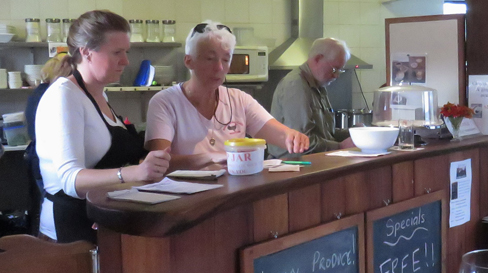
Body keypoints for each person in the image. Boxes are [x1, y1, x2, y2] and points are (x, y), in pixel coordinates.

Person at [36, 10, 170, 243]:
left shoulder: (99, 96)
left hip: (100, 220)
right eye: (117, 52)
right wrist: (134, 173)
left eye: (126, 52)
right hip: (70, 232)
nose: (126, 61)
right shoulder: (64, 96)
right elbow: (71, 180)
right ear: (87, 52)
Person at [145, 22, 308, 168]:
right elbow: (159, 161)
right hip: (183, 194)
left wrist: (292, 137)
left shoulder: (239, 99)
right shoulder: (164, 102)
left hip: (231, 190)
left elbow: (278, 133)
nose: (219, 68)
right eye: (210, 59)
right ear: (189, 61)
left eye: (225, 60)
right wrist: (211, 158)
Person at [268, 38, 355, 159]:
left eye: (340, 70)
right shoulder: (296, 86)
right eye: (334, 69)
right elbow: (301, 143)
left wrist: (355, 133)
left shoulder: (318, 84)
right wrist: (339, 147)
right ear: (317, 59)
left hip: (311, 163)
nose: (336, 76)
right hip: (292, 167)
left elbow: (326, 134)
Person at [25, 53, 73, 236]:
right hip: (45, 160)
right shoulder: (55, 94)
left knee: (43, 205)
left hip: (35, 155)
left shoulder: (38, 92)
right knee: (51, 207)